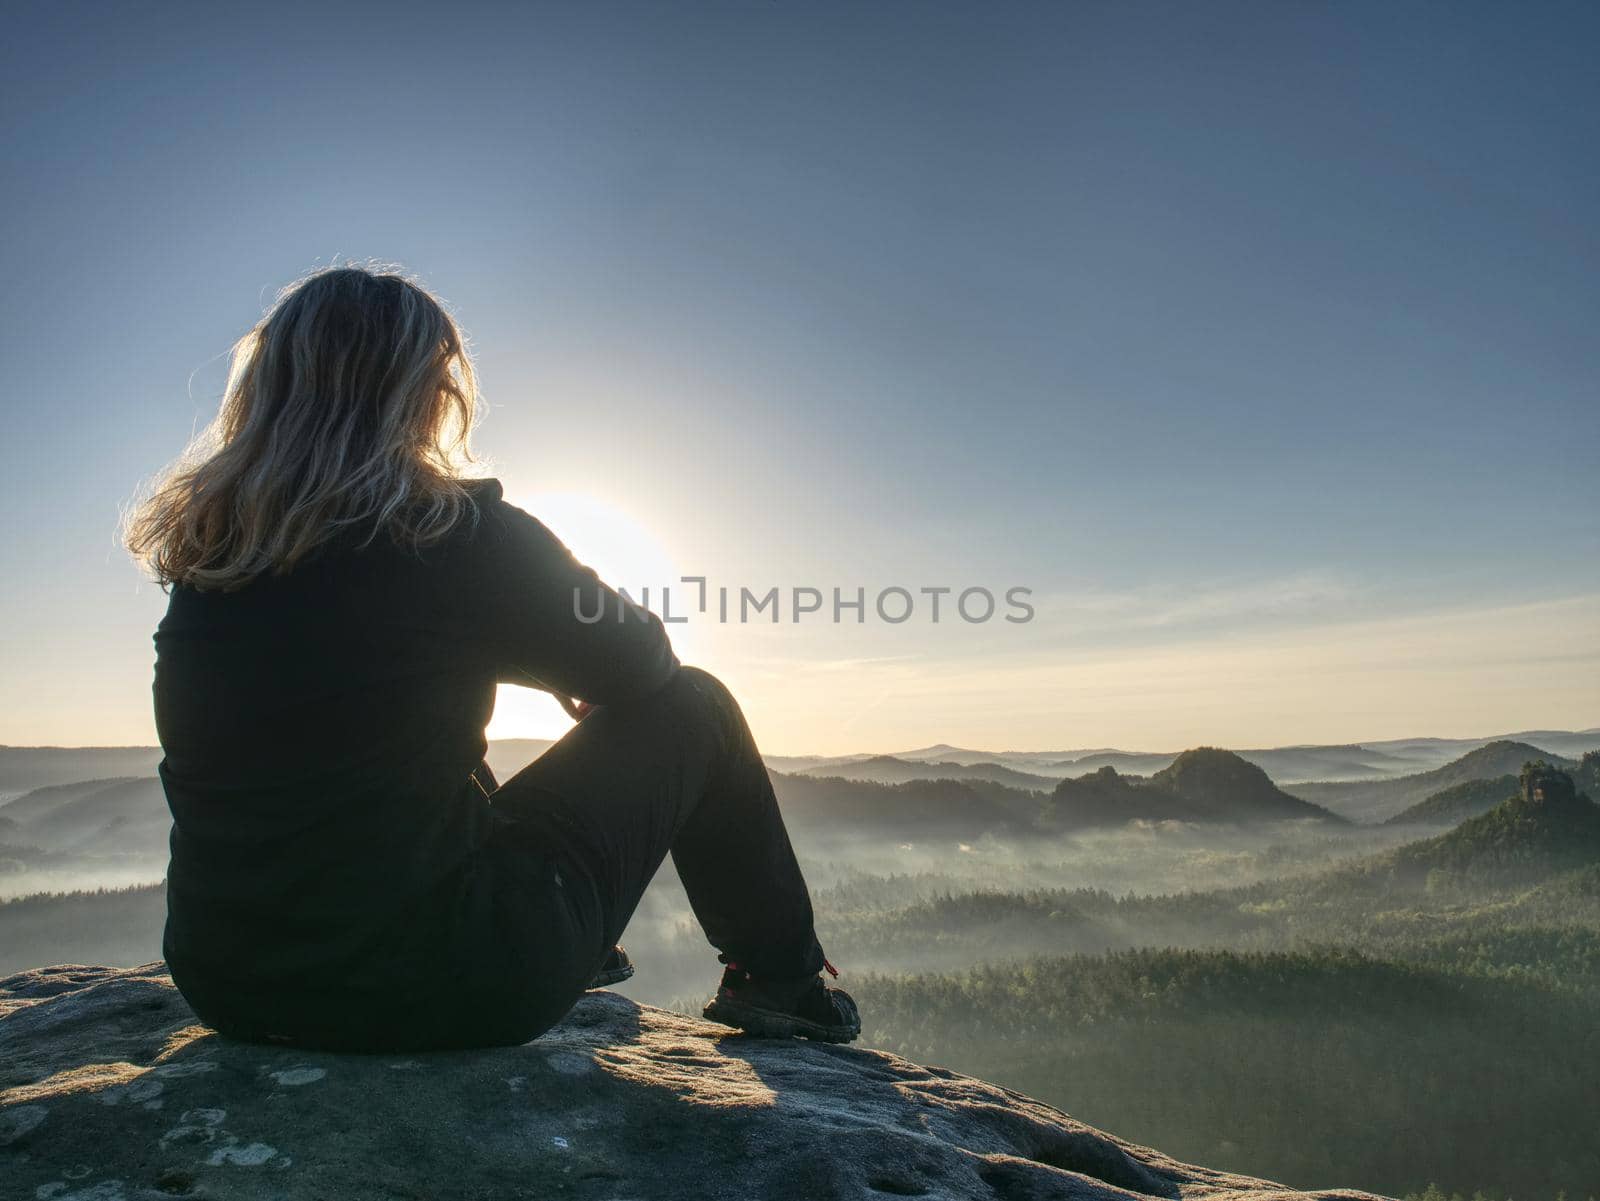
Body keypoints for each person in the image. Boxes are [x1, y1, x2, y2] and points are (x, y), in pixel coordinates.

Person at [123, 263, 860, 1053]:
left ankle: (564, 933)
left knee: (412, 735)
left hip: (228, 983)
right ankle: (778, 977)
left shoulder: (214, 561)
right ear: (427, 395)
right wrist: (553, 669)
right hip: (442, 983)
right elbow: (645, 662)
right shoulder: (451, 535)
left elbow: (354, 686)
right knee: (697, 706)